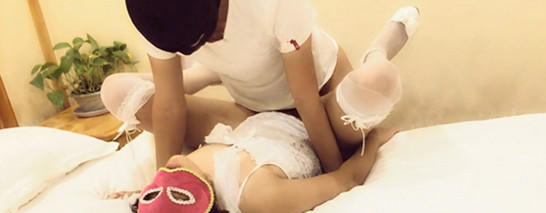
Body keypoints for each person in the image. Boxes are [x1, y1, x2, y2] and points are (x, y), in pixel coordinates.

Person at [102, 0, 419, 171]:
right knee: (116, 91)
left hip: (321, 96)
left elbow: (305, 99)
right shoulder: (155, 13)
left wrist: (335, 175)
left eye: (213, 31)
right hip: (256, 113)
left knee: (378, 81)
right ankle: (206, 74)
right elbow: (170, 106)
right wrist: (161, 184)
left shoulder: (273, 4)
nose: (216, 40)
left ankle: (377, 52)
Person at [97, 111, 398, 213]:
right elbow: (345, 180)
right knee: (364, 92)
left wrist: (140, 193)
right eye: (176, 195)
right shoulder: (257, 196)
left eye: (149, 197)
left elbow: (168, 187)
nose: (166, 172)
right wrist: (375, 140)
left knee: (133, 97)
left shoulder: (189, 172)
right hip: (315, 121)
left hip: (251, 111)